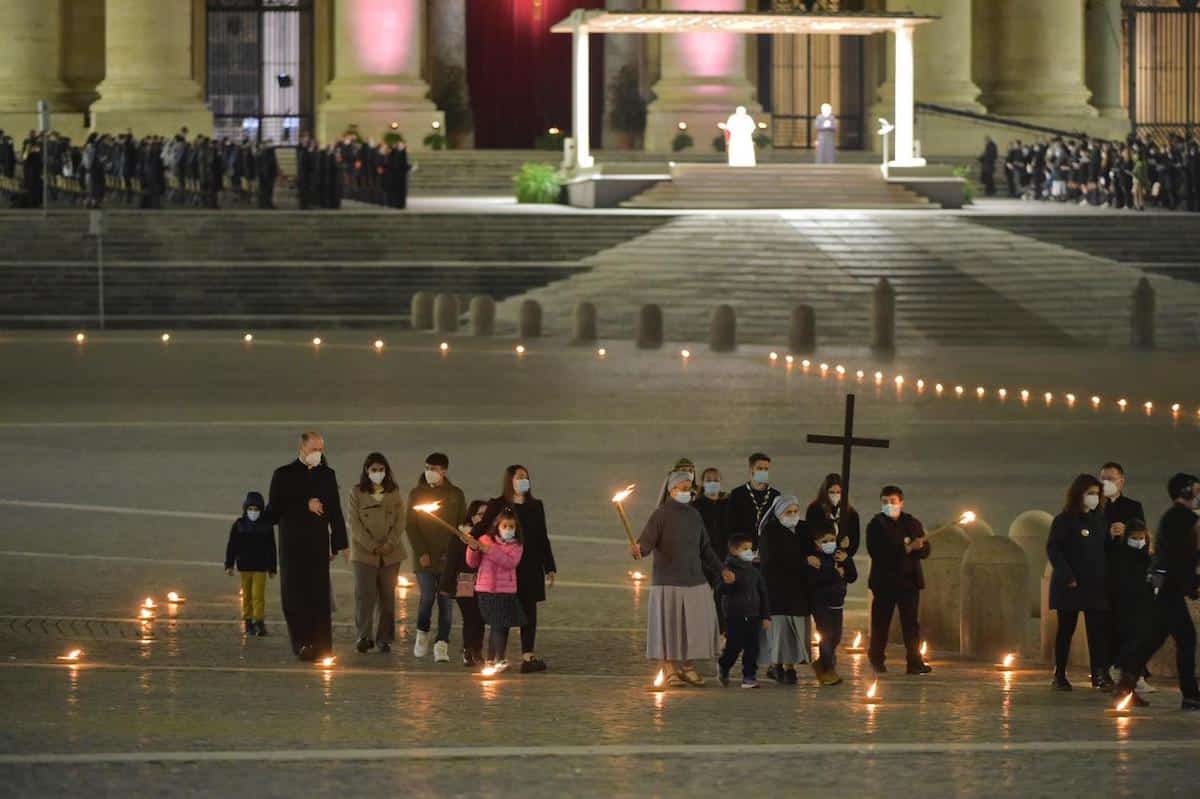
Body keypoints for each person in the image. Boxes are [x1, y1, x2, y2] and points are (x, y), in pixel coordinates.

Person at [631, 470, 733, 687]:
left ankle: (687, 667)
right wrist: (639, 550)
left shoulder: (694, 515)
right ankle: (669, 668)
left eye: (690, 489)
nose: (689, 493)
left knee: (692, 628)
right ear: (672, 490)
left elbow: (705, 548)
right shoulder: (660, 515)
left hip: (694, 580)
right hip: (668, 582)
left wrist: (721, 569)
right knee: (669, 628)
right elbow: (646, 544)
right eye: (685, 489)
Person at [1114, 473, 1200, 711]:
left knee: (1154, 638)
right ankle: (1191, 696)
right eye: (1196, 489)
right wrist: (1192, 584)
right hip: (1171, 587)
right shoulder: (1182, 517)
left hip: (1165, 586)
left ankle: (1126, 682)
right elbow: (1183, 556)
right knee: (1186, 639)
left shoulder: (1175, 516)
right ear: (1185, 492)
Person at [266, 431, 348, 661]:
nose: (318, 454)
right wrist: (305, 504)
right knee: (294, 596)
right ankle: (302, 643)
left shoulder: (327, 475)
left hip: (318, 545)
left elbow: (335, 512)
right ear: (302, 449)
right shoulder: (283, 475)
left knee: (319, 596)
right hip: (292, 546)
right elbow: (274, 511)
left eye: (321, 450)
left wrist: (340, 544)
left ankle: (322, 646)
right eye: (314, 449)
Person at [473, 465, 557, 673]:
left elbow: (542, 537)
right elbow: (483, 526)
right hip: (504, 567)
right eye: (520, 477)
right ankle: (495, 657)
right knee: (503, 611)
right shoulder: (498, 504)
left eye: (526, 477)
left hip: (530, 566)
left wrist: (550, 566)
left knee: (529, 611)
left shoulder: (536, 505)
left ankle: (528, 656)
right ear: (509, 480)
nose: (524, 481)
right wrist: (469, 537)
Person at [1046, 473, 1112, 690]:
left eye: (1097, 493)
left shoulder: (1099, 519)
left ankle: (1099, 674)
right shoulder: (1064, 520)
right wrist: (1067, 575)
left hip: (1095, 584)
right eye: (1090, 493)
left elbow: (1103, 550)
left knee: (1097, 631)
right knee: (1066, 629)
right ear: (1079, 494)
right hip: (1071, 584)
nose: (1094, 497)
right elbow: (1054, 549)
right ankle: (1060, 673)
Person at [866, 485, 932, 675]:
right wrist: (906, 549)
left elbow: (926, 551)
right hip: (884, 583)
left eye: (893, 502)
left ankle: (914, 662)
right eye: (885, 502)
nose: (889, 505)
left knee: (911, 625)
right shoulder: (876, 525)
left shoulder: (912, 523)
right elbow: (877, 552)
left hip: (909, 583)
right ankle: (877, 660)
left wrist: (920, 547)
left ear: (901, 503)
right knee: (881, 624)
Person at [405, 452, 464, 663]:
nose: (429, 472)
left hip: (448, 558)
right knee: (428, 596)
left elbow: (461, 526)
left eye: (434, 469)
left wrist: (454, 552)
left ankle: (442, 643)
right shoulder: (416, 494)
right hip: (424, 559)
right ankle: (422, 634)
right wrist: (422, 552)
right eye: (427, 467)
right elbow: (411, 526)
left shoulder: (455, 494)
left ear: (444, 471)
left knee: (446, 601)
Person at [348, 452, 406, 654]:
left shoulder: (394, 492)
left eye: (381, 470)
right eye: (374, 470)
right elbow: (354, 524)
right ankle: (364, 636)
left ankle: (385, 638)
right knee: (365, 597)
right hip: (364, 554)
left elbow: (400, 521)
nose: (378, 473)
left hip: (391, 554)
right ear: (367, 471)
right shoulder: (357, 492)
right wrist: (372, 545)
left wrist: (390, 542)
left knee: (387, 598)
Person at [1099, 461, 1147, 684]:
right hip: (1104, 572)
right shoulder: (1097, 507)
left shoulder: (1133, 506)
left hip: (1128, 572)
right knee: (1106, 623)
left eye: (1110, 478)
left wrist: (1125, 531)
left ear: (1121, 481)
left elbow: (1141, 536)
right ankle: (1105, 667)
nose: (1106, 483)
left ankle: (1131, 670)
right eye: (1103, 479)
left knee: (1129, 621)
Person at [758, 495, 814, 685]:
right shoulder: (770, 532)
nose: (792, 515)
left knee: (795, 630)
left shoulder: (803, 530)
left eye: (795, 511)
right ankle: (777, 665)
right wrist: (802, 562)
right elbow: (771, 561)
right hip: (776, 590)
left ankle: (791, 667)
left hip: (799, 590)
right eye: (788, 512)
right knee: (779, 630)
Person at [465, 508, 525, 673]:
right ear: (497, 526)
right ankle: (499, 659)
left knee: (500, 625)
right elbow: (472, 563)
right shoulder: (485, 539)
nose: (508, 529)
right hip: (486, 589)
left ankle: (492, 660)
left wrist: (490, 550)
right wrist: (473, 548)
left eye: (511, 526)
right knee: (497, 623)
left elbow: (509, 563)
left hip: (506, 590)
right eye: (505, 526)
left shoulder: (517, 546)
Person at [717, 534, 770, 689]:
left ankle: (749, 676)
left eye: (750, 549)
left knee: (752, 647)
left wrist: (765, 615)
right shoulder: (727, 569)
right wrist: (729, 583)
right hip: (735, 615)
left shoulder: (754, 571)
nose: (749, 552)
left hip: (754, 615)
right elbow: (720, 590)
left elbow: (763, 593)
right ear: (734, 550)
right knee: (734, 646)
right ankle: (724, 665)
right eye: (745, 549)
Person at [808, 519, 857, 686]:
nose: (829, 544)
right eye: (824, 541)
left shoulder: (839, 555)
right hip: (821, 603)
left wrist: (847, 560)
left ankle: (822, 664)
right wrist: (835, 572)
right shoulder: (814, 560)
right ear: (816, 543)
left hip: (837, 603)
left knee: (836, 637)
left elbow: (852, 576)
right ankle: (828, 670)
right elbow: (817, 580)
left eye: (831, 540)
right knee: (827, 636)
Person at [1108, 518, 1154, 695]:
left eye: (1142, 537)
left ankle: (1132, 675)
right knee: (1132, 641)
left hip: (1144, 604)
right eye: (1135, 537)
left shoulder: (1148, 557)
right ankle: (1123, 670)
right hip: (1126, 605)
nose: (1139, 541)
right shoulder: (1121, 555)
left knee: (1141, 640)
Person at [441, 500, 490, 666]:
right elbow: (451, 563)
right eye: (481, 515)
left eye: (487, 515)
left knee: (481, 617)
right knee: (470, 617)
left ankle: (477, 650)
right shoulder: (460, 536)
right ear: (472, 516)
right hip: (465, 581)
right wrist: (446, 586)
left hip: (484, 582)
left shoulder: (491, 536)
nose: (484, 518)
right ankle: (468, 651)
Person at [224, 490, 277, 637]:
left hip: (260, 567)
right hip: (244, 566)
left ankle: (259, 621)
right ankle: (248, 621)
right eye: (250, 509)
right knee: (247, 595)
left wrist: (272, 567)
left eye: (256, 509)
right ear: (245, 509)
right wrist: (229, 564)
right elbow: (232, 546)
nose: (253, 512)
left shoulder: (266, 526)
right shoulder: (239, 525)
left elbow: (271, 548)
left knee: (257, 595)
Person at [725, 453, 780, 549]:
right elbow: (730, 526)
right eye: (759, 469)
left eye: (766, 469)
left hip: (768, 550)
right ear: (751, 470)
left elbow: (778, 527)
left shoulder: (775, 496)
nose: (763, 472)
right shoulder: (737, 494)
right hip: (743, 550)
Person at [805, 473, 861, 557]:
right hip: (820, 557)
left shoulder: (851, 514)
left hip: (842, 559)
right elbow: (809, 536)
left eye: (838, 492)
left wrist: (847, 552)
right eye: (831, 492)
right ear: (825, 492)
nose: (835, 495)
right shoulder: (814, 510)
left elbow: (855, 541)